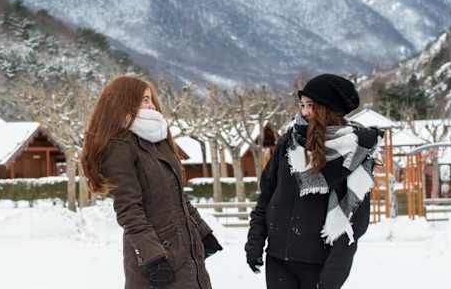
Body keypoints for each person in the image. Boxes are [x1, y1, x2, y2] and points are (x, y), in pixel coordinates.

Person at [81, 75, 221, 289]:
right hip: (158, 259)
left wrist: (202, 232)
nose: (152, 105)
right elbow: (129, 210)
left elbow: (177, 195)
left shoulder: (158, 141)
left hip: (186, 253)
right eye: (145, 99)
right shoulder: (119, 147)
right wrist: (153, 257)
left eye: (152, 99)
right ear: (126, 101)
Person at [245, 74, 380, 289]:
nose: (304, 112)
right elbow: (267, 195)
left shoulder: (355, 154)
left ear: (329, 109)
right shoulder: (289, 142)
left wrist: (329, 281)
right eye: (302, 105)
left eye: (311, 105)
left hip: (318, 266)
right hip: (277, 261)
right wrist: (255, 241)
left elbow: (354, 224)